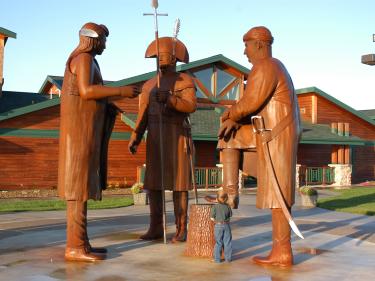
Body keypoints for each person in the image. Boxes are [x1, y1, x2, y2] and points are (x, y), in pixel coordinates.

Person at [218, 26, 301, 267]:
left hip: (277, 135)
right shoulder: (272, 66)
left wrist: (231, 113)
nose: (244, 52)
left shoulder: (266, 66)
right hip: (269, 133)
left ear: (260, 44)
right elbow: (255, 103)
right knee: (228, 136)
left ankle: (283, 251)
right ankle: (230, 192)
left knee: (279, 194)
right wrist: (234, 119)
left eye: (246, 45)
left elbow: (251, 101)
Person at [58, 22, 140, 262]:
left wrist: (108, 104)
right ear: (93, 39)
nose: (105, 44)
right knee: (77, 188)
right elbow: (86, 91)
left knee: (82, 187)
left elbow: (90, 93)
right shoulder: (83, 58)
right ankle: (74, 246)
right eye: (103, 39)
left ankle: (81, 242)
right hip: (79, 134)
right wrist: (121, 92)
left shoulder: (90, 61)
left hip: (85, 131)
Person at [128, 37, 197, 242]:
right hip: (156, 137)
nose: (160, 60)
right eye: (158, 57)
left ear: (174, 58)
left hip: (177, 136)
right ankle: (155, 226)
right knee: (154, 183)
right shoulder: (149, 85)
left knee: (179, 185)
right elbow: (143, 114)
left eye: (164, 56)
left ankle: (181, 228)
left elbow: (190, 106)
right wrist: (136, 136)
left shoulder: (184, 81)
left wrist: (170, 99)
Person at [210, 190, 232, 263]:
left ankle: (217, 259)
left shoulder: (215, 207)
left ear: (217, 198)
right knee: (227, 242)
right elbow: (230, 215)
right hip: (226, 225)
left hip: (218, 225)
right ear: (226, 199)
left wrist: (216, 220)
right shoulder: (228, 206)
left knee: (218, 242)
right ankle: (228, 259)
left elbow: (212, 218)